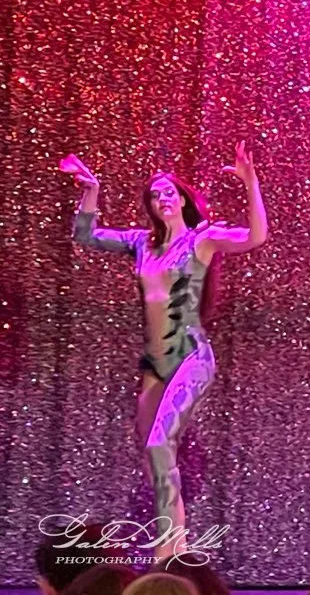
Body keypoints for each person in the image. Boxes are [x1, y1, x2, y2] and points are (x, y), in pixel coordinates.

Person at [62, 145, 268, 559]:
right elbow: (84, 235)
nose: (164, 198)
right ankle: (175, 544)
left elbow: (257, 236)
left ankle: (168, 553)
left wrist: (250, 182)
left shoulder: (202, 240)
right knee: (154, 454)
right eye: (156, 195)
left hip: (191, 357)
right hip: (155, 366)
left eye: (170, 192)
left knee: (159, 445)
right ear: (152, 206)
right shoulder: (141, 244)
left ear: (184, 200)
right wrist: (92, 190)